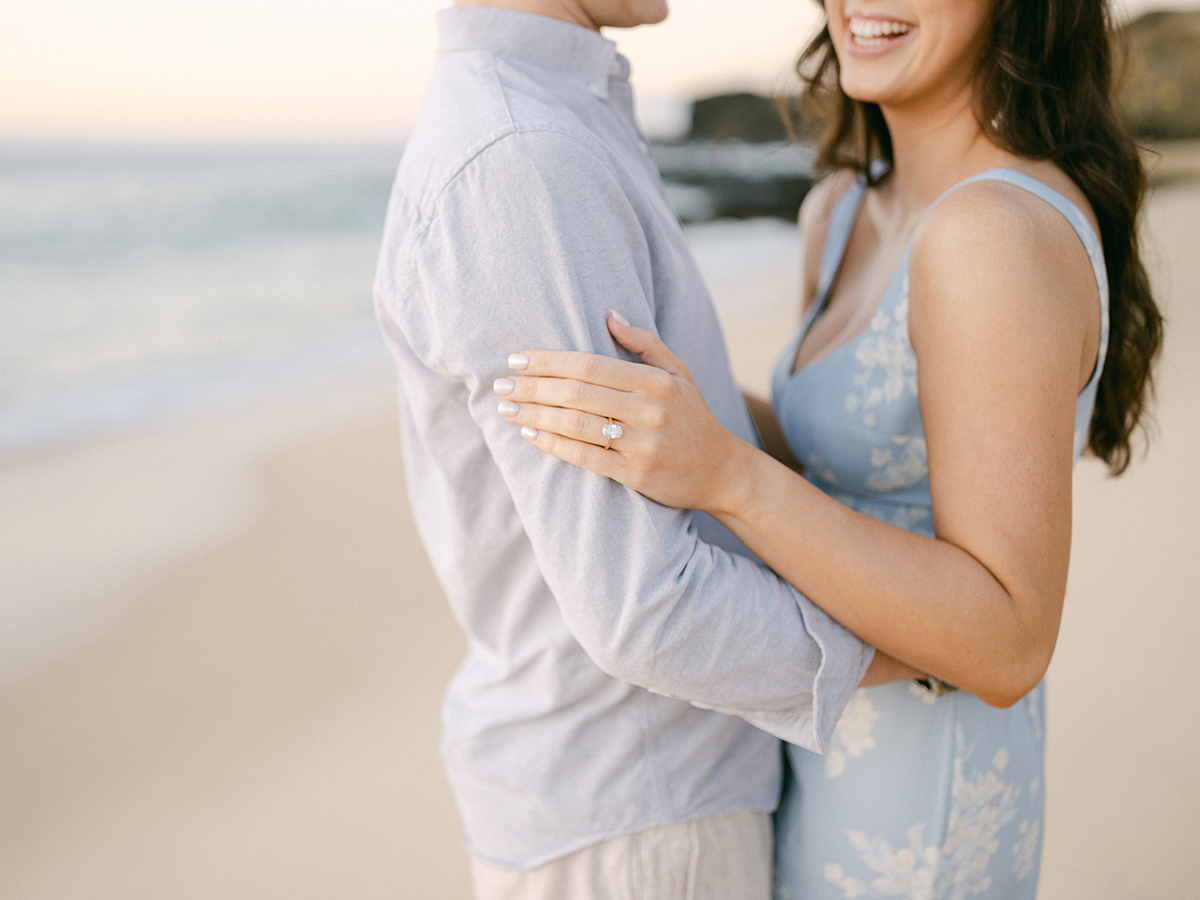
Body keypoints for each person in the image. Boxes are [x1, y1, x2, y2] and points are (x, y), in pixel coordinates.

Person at [496, 0, 1163, 895]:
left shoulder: (993, 235)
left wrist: (728, 475)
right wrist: (672, 414)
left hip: (921, 804)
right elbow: (845, 447)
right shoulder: (842, 208)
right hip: (812, 746)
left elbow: (1010, 641)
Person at [373, 2, 921, 897]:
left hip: (642, 802)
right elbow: (642, 607)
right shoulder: (522, 157)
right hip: (644, 827)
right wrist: (919, 646)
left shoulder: (549, 115)